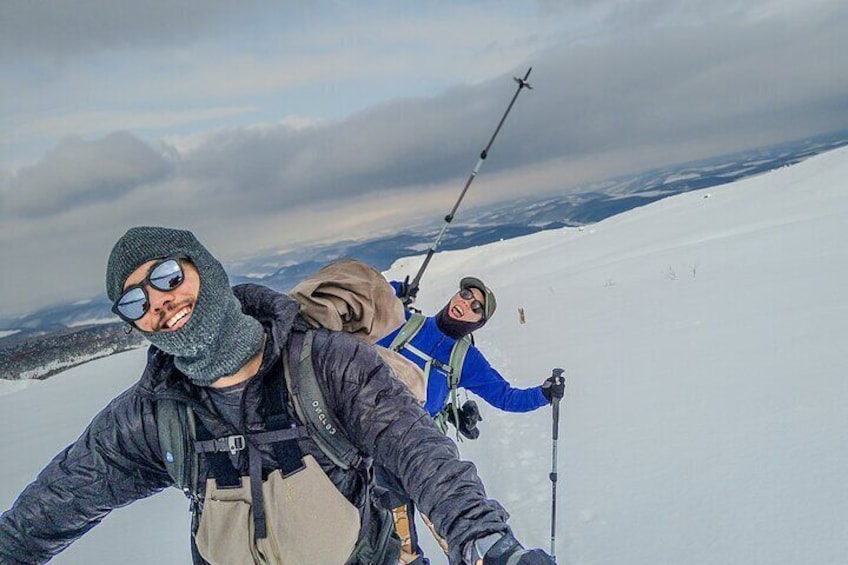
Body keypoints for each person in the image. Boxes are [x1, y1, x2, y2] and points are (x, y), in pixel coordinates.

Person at [0, 226, 555, 565]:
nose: (158, 301)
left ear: (204, 268)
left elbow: (421, 452)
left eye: (167, 275)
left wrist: (485, 540)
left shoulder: (328, 365)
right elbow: (50, 507)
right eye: (133, 302)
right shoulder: (152, 416)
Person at [374, 277, 565, 564]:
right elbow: (369, 298)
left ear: (478, 323)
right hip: (375, 435)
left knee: (454, 520)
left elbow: (505, 396)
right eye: (465, 294)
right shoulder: (405, 323)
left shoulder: (466, 359)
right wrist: (397, 288)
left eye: (477, 307)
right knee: (399, 536)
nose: (466, 303)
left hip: (422, 446)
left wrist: (543, 394)